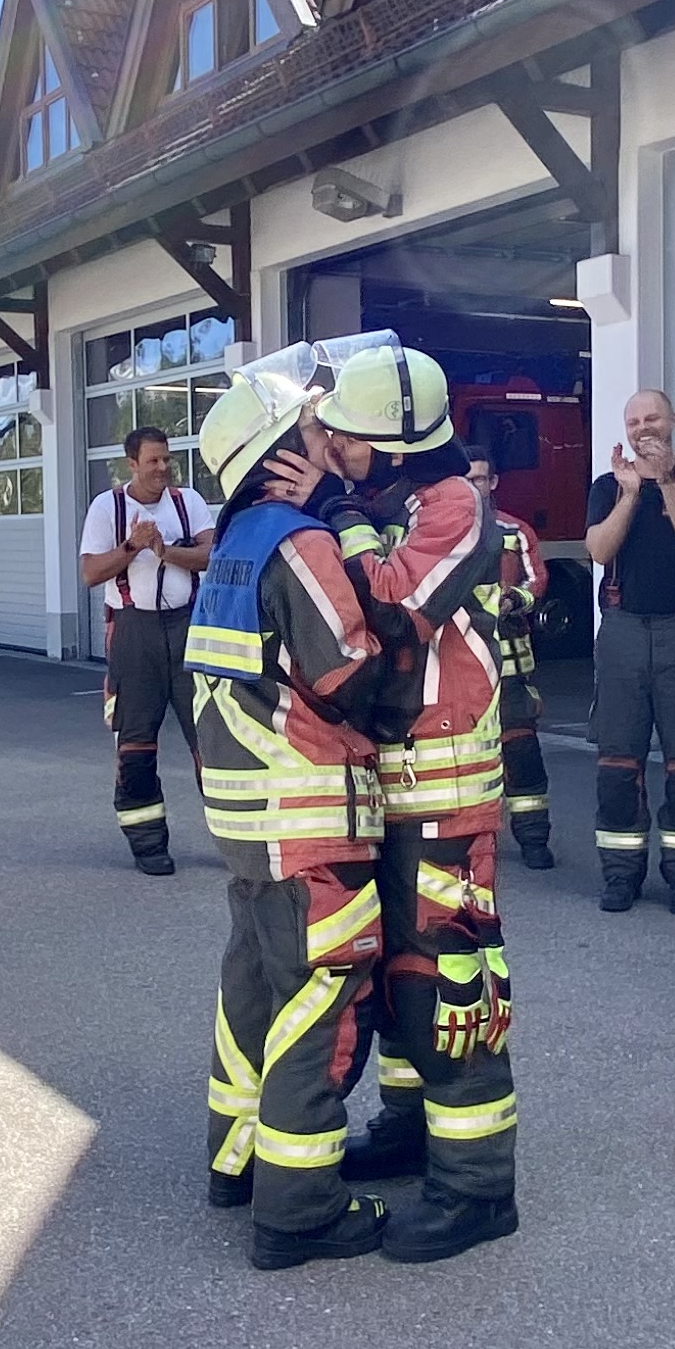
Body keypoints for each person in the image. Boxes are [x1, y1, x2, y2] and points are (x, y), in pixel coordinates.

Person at [184, 352, 394, 1269]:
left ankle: (235, 1161)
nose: (333, 438)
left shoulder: (231, 549)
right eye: (315, 428)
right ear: (278, 454)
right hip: (307, 810)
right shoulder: (297, 541)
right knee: (322, 999)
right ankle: (299, 1207)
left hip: (244, 818)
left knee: (254, 988)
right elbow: (351, 671)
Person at [319, 338, 521, 1262]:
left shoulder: (455, 507)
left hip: (445, 797)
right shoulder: (387, 499)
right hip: (387, 792)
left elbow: (396, 611)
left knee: (450, 981)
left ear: (396, 445)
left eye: (350, 441)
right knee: (396, 977)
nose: (336, 451)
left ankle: (479, 1189)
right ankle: (408, 1127)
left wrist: (339, 520)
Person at [581, 390, 675, 915]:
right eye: (634, 420)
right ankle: (621, 875)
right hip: (621, 632)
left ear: (673, 421)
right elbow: (598, 551)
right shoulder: (607, 487)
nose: (644, 428)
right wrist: (628, 495)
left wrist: (664, 482)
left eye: (653, 418)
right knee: (618, 762)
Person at [78, 425, 213, 876]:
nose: (162, 468)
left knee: (212, 741)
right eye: (152, 461)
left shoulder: (187, 502)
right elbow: (91, 573)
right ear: (131, 463)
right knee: (135, 745)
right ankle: (148, 843)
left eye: (166, 459)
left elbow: (212, 555)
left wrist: (166, 549)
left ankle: (237, 842)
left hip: (188, 628)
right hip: (134, 634)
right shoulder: (108, 507)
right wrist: (134, 546)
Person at [465, 450, 552, 868]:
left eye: (480, 479)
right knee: (460, 757)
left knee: (521, 752)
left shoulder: (515, 531)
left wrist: (513, 599)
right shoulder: (436, 529)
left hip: (512, 663)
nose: (473, 487)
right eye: (465, 479)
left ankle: (534, 839)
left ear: (494, 483)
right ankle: (469, 844)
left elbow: (538, 580)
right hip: (457, 668)